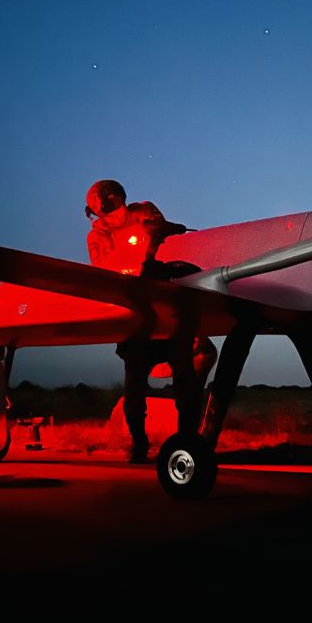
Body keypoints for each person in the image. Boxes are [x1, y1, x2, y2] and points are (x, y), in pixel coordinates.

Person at [84, 180, 209, 462]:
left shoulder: (145, 212)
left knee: (185, 378)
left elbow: (169, 237)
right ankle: (139, 444)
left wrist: (166, 233)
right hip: (136, 317)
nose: (108, 204)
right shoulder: (97, 237)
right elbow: (103, 271)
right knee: (135, 386)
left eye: (111, 197)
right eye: (102, 202)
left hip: (166, 308)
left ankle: (186, 442)